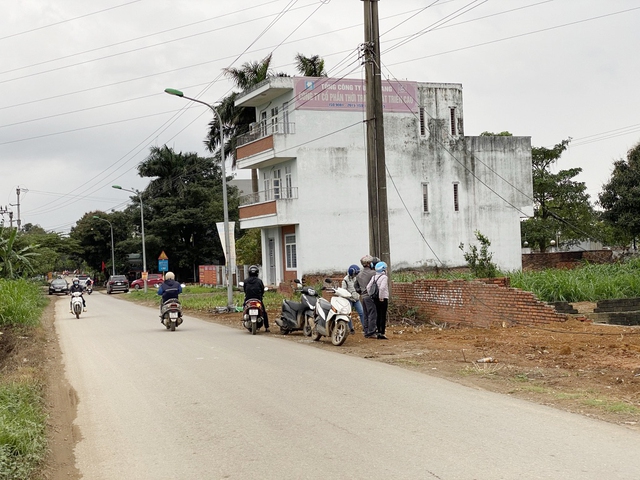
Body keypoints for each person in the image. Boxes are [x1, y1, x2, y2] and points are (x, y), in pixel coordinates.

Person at [355, 255, 378, 338]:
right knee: (372, 313)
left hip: (363, 296)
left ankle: (366, 331)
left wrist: (360, 292)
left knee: (365, 314)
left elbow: (356, 286)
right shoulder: (373, 273)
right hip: (370, 296)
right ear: (368, 264)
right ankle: (371, 332)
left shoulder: (359, 275)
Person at [243, 265, 269, 332]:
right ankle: (267, 327)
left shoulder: (246, 281)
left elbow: (245, 290)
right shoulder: (259, 281)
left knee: (244, 308)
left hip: (248, 299)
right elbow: (262, 290)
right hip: (258, 299)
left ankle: (244, 319)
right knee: (264, 312)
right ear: (257, 273)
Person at [368, 261, 390, 340]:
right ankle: (382, 333)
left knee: (377, 315)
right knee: (382, 315)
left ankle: (377, 332)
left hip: (375, 298)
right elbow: (382, 288)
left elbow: (368, 287)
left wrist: (371, 295)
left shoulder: (374, 277)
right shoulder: (384, 277)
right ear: (383, 269)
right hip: (383, 298)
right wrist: (381, 297)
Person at [342, 264, 363, 333]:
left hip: (356, 299)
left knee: (362, 313)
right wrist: (349, 296)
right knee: (348, 314)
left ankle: (365, 327)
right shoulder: (345, 280)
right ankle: (350, 328)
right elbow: (343, 290)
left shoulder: (357, 278)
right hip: (349, 299)